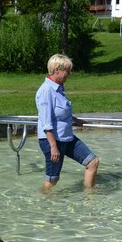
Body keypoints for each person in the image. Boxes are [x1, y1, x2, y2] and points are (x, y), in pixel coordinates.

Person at [35, 54, 99, 190]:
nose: (69, 74)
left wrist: (75, 120)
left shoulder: (59, 89)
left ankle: (90, 198)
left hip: (66, 138)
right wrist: (53, 146)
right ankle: (42, 202)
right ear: (57, 70)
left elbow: (60, 113)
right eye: (67, 71)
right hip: (52, 141)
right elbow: (46, 122)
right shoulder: (46, 91)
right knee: (52, 180)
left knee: (92, 162)